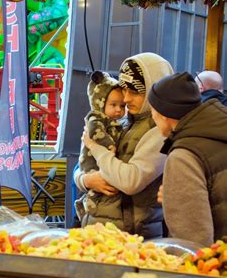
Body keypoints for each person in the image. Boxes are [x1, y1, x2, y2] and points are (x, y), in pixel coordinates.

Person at [74, 52, 173, 239]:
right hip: (98, 229)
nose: (126, 99)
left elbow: (130, 181)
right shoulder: (122, 121)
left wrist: (96, 148)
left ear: (154, 89)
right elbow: (83, 164)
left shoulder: (160, 128)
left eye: (134, 92)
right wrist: (85, 180)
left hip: (134, 237)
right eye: (124, 90)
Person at [148, 72, 227, 246]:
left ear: (163, 115)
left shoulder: (183, 156)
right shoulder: (219, 129)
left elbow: (193, 242)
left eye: (152, 111)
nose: (152, 117)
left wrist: (175, 196)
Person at [75, 71, 126, 225]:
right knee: (96, 192)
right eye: (113, 105)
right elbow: (95, 134)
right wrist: (110, 145)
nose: (119, 110)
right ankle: (82, 208)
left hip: (99, 166)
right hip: (91, 163)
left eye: (122, 106)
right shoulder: (96, 117)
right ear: (100, 103)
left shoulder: (115, 122)